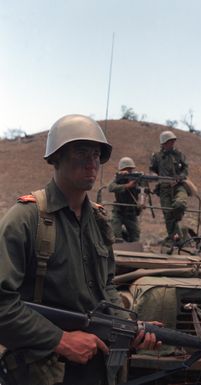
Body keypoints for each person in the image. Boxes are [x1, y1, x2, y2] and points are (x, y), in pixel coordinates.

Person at [0, 115, 159, 385]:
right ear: (56, 158)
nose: (92, 162)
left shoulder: (98, 220)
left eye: (96, 154)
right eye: (81, 152)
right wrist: (60, 340)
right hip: (43, 370)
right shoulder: (25, 219)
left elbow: (107, 285)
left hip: (98, 369)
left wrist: (129, 327)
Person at [149, 130, 189, 249]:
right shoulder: (156, 156)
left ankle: (178, 231)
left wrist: (179, 178)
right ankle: (175, 238)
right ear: (163, 143)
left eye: (173, 142)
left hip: (178, 186)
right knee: (168, 214)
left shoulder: (179, 154)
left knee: (180, 204)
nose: (172, 144)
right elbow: (152, 169)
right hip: (164, 189)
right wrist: (154, 176)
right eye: (169, 142)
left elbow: (185, 169)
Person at [108, 157, 141, 243]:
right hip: (118, 210)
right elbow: (110, 187)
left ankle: (126, 236)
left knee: (135, 237)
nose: (129, 171)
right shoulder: (118, 178)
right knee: (115, 236)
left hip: (131, 212)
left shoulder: (136, 178)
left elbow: (144, 190)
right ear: (121, 169)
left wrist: (142, 202)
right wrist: (127, 186)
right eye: (126, 169)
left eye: (130, 169)